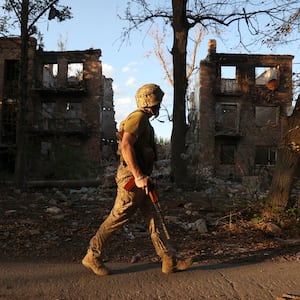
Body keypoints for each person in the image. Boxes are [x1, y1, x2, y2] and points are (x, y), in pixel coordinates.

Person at [82, 83, 192, 275]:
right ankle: (92, 255)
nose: (159, 106)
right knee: (118, 217)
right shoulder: (139, 117)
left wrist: (144, 176)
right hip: (132, 180)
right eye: (158, 102)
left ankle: (169, 258)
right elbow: (126, 146)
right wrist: (139, 176)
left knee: (154, 217)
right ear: (152, 102)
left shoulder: (144, 120)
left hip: (141, 178)